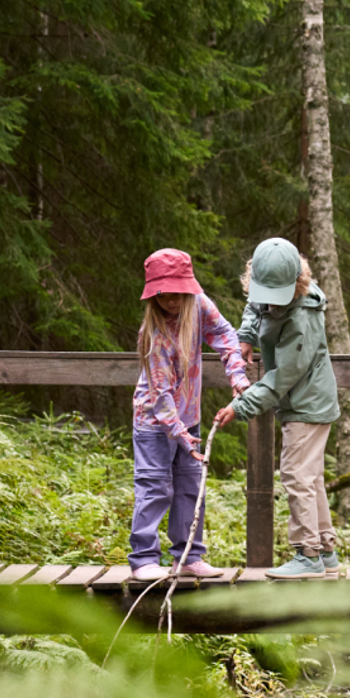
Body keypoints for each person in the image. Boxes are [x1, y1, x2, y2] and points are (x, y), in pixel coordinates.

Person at [213, 238, 342, 580]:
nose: (269, 300)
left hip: (306, 405)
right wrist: (246, 338)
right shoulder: (269, 295)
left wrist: (239, 406)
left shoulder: (303, 320)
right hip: (303, 402)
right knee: (310, 477)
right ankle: (326, 550)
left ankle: (307, 554)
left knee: (296, 475)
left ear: (295, 284)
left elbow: (280, 379)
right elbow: (256, 308)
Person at [129, 249, 252, 582]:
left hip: (189, 416)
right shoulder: (153, 335)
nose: (170, 300)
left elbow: (226, 335)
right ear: (153, 294)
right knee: (155, 487)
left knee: (189, 487)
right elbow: (161, 395)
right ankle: (143, 559)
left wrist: (237, 375)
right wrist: (180, 435)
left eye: (175, 292)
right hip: (156, 422)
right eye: (163, 293)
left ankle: (188, 557)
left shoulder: (199, 306)